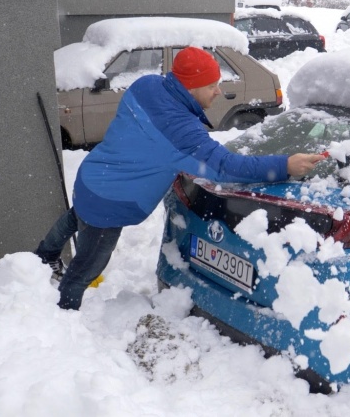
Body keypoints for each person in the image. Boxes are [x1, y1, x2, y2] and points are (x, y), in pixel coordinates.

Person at [34, 46, 324, 310]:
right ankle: (63, 315)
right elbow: (225, 167)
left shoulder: (145, 85)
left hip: (92, 178)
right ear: (192, 86)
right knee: (86, 267)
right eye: (212, 85)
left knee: (75, 217)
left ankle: (40, 259)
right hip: (111, 202)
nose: (218, 92)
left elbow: (150, 139)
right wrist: (284, 165)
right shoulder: (182, 132)